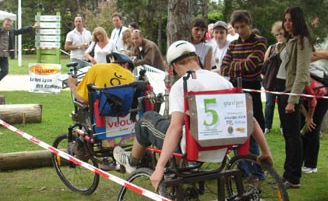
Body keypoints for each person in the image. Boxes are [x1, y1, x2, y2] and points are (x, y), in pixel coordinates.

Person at [113, 40, 273, 191]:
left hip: (193, 147)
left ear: (174, 66)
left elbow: (175, 128)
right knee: (178, 125)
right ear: (196, 59)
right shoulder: (223, 82)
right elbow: (250, 120)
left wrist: (159, 166)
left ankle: (131, 162)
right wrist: (265, 152)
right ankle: (173, 167)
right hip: (223, 147)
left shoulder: (181, 85)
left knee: (146, 120)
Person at [221, 10, 267, 172]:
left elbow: (253, 65)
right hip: (235, 89)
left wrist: (236, 66)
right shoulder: (233, 44)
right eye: (237, 27)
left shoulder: (260, 41)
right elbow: (224, 68)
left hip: (252, 88)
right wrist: (241, 66)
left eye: (243, 26)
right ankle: (241, 168)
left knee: (252, 127)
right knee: (236, 127)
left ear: (249, 24)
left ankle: (256, 170)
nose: (240, 30)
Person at [276, 7, 313, 189]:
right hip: (283, 91)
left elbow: (301, 74)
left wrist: (293, 99)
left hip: (291, 93)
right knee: (288, 136)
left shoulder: (303, 41)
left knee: (293, 137)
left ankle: (293, 177)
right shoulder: (291, 41)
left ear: (298, 20)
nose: (287, 23)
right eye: (285, 20)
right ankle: (286, 175)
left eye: (290, 20)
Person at [300, 23, 328, 174]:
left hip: (322, 85)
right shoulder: (310, 37)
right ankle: (301, 159)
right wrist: (316, 54)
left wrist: (314, 55)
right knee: (302, 123)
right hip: (307, 81)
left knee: (313, 124)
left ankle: (311, 163)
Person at [0, 18, 38, 93]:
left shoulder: (11, 32)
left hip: (5, 54)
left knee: (5, 71)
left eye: (9, 25)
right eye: (6, 24)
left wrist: (32, 27)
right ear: (3, 24)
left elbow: (21, 30)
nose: (7, 26)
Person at [67, 52, 135, 104]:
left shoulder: (96, 68)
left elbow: (83, 100)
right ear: (126, 65)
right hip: (125, 115)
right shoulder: (131, 76)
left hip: (99, 115)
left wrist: (72, 86)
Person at [263, 21, 286, 134]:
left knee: (282, 105)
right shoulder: (271, 47)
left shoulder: (288, 48)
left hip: (283, 80)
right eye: (277, 34)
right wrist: (274, 54)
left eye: (281, 33)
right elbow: (264, 63)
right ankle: (267, 126)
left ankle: (283, 126)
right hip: (271, 80)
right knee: (269, 103)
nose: (279, 36)